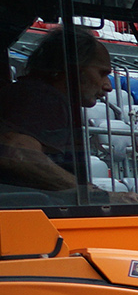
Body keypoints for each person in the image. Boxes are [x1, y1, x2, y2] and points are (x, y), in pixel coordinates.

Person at [0, 26, 117, 198]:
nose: (108, 86)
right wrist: (97, 196)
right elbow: (17, 152)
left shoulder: (29, 93)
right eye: (102, 73)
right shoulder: (45, 97)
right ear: (71, 68)